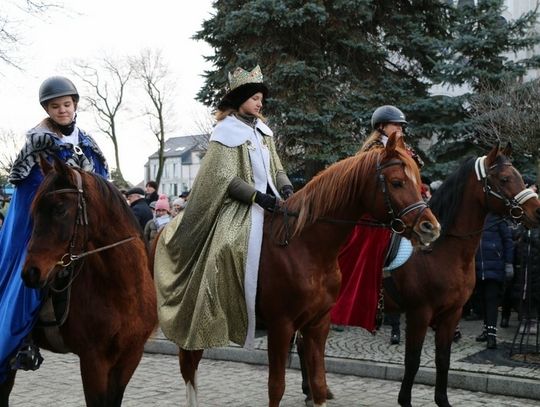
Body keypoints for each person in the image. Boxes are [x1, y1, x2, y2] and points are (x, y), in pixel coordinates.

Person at [154, 65, 294, 350]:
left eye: (261, 99)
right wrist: (258, 197)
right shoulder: (225, 133)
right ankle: (225, 313)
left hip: (273, 202)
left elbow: (277, 168)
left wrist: (287, 188)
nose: (259, 103)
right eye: (254, 98)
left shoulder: (264, 132)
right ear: (239, 99)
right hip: (240, 206)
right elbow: (226, 179)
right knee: (227, 247)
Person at [0, 76, 109, 383]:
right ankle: (20, 340)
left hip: (85, 223)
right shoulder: (37, 143)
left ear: (75, 106)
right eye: (55, 106)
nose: (62, 110)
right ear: (47, 109)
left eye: (66, 104)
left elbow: (102, 182)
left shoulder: (88, 143)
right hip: (48, 223)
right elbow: (31, 188)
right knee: (30, 273)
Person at [330, 105, 422, 333]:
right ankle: (348, 305)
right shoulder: (373, 150)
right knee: (366, 248)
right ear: (381, 126)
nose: (400, 129)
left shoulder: (402, 148)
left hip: (399, 208)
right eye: (396, 125)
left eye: (402, 126)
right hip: (375, 214)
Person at [474, 212, 514, 349]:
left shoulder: (498, 218)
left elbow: (508, 241)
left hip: (495, 267)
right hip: (478, 267)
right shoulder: (476, 216)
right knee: (483, 300)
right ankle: (486, 330)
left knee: (491, 301)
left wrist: (509, 263)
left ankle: (492, 336)